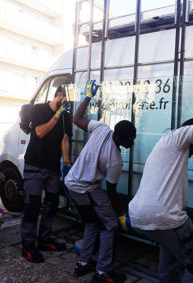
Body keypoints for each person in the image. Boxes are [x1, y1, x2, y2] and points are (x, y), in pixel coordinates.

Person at [128, 70, 193, 283]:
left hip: (143, 216)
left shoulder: (170, 146)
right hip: (165, 217)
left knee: (170, 259)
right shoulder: (178, 137)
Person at [64, 80, 136, 283]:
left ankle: (84, 263)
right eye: (132, 139)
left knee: (92, 222)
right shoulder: (115, 160)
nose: (133, 141)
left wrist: (87, 96)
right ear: (122, 139)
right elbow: (111, 191)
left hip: (71, 183)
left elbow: (76, 118)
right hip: (84, 187)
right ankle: (103, 272)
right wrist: (120, 214)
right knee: (109, 225)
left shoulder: (102, 128)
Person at [21, 85, 72, 263]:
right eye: (67, 99)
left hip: (52, 168)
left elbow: (65, 139)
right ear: (59, 95)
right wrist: (57, 115)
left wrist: (66, 162)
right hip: (34, 165)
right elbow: (40, 132)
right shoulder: (39, 109)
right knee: (33, 205)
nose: (69, 103)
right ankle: (28, 246)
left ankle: (44, 240)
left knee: (52, 203)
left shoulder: (66, 114)